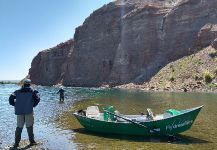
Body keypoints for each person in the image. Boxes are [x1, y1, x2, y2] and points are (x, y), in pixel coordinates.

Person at [9, 79, 40, 149]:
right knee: (29, 127)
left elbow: (10, 100)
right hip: (29, 111)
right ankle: (32, 142)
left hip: (19, 112)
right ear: (30, 84)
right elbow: (38, 99)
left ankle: (16, 144)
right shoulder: (33, 91)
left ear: (23, 84)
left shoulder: (16, 92)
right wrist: (33, 105)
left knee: (19, 127)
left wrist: (16, 105)